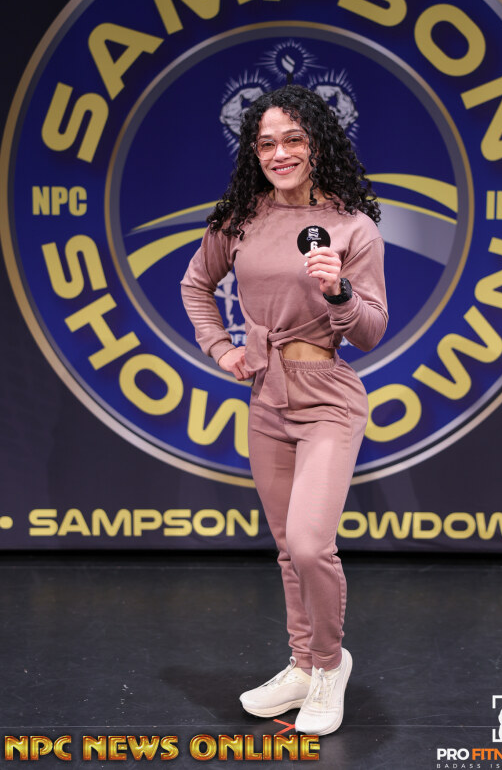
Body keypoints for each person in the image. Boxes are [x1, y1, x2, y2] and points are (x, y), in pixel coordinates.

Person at [181, 84, 388, 736]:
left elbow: (371, 331)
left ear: (317, 143)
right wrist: (221, 347)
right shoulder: (241, 218)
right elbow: (195, 284)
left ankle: (329, 666)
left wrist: (339, 291)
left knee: (309, 543)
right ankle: (301, 664)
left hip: (327, 396)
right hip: (266, 397)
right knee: (285, 550)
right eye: (266, 142)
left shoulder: (352, 226)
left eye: (293, 139)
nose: (279, 153)